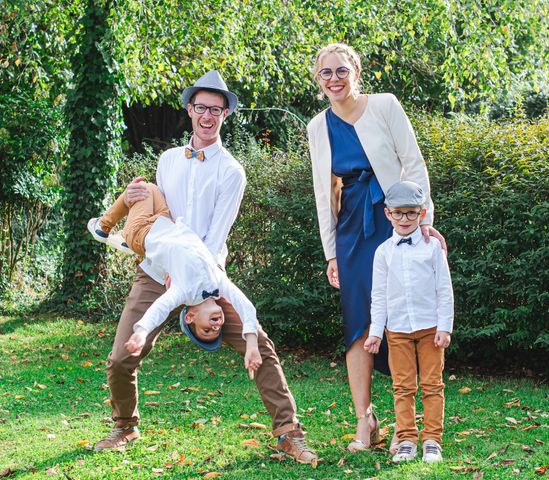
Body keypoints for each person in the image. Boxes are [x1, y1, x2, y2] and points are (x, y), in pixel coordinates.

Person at [94, 71, 317, 464]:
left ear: (226, 114)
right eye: (201, 108)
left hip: (205, 276)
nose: (208, 116)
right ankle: (125, 426)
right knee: (120, 357)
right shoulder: (166, 160)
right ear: (190, 110)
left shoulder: (231, 171)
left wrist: (201, 285)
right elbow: (157, 210)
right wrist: (131, 197)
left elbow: (215, 237)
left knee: (259, 344)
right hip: (156, 274)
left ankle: (288, 433)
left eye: (216, 110)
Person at [306, 43, 446, 452]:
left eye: (341, 70)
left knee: (405, 317)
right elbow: (323, 192)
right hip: (351, 227)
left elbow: (413, 162)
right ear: (318, 81)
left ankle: (417, 424)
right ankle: (365, 421)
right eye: (325, 73)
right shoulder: (317, 127)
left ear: (356, 72)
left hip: (394, 221)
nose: (334, 79)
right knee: (357, 324)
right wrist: (331, 250)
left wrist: (424, 222)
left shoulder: (385, 105)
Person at [87, 182, 261, 376]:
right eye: (217, 330)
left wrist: (142, 333)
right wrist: (252, 344)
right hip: (165, 222)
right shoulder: (218, 282)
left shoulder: (182, 291)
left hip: (141, 231)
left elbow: (160, 308)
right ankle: (124, 240)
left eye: (206, 330)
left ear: (190, 317)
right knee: (151, 187)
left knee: (143, 187)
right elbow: (245, 305)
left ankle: (102, 227)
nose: (216, 326)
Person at [364, 181, 453, 463]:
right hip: (398, 331)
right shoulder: (383, 252)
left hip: (430, 329)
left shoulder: (432, 249)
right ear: (388, 213)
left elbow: (444, 289)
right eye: (398, 213)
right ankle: (406, 439)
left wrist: (444, 327)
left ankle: (432, 440)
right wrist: (376, 332)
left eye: (411, 213)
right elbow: (378, 295)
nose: (404, 219)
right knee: (403, 387)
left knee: (432, 384)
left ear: (422, 213)